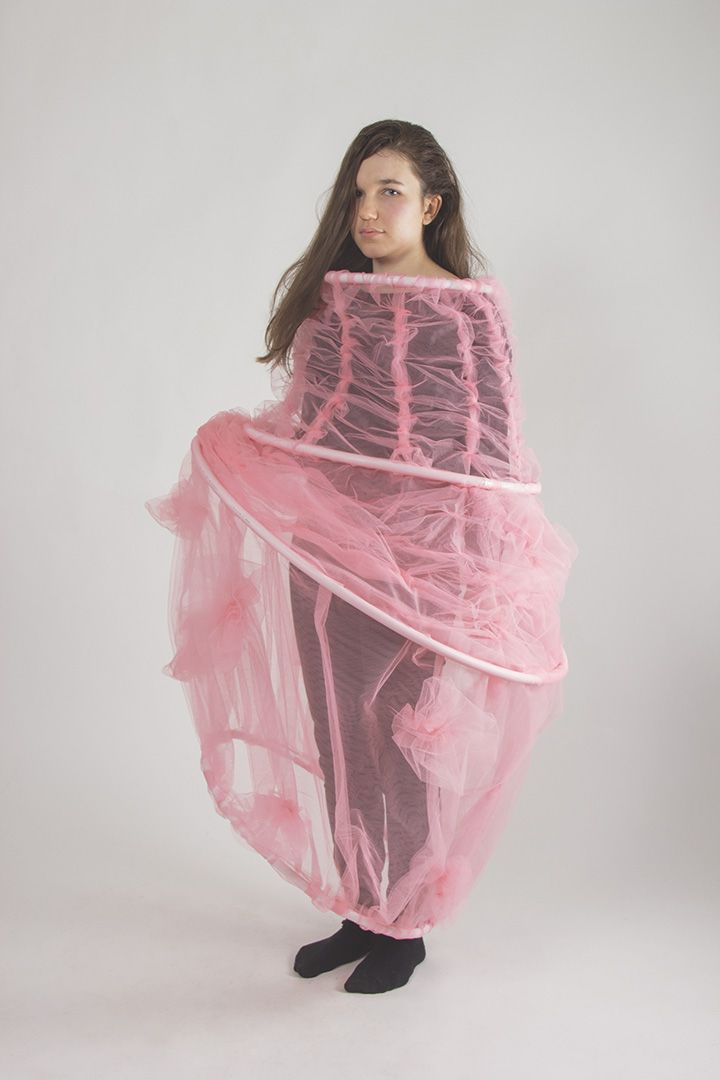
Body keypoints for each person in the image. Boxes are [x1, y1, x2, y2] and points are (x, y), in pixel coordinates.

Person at [146, 119, 577, 995]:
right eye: (359, 193)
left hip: (418, 569)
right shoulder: (335, 304)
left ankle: (405, 926)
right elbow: (312, 430)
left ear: (431, 206)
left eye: (391, 192)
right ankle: (361, 905)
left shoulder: (468, 312)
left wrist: (465, 573)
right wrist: (242, 456)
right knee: (340, 731)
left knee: (402, 738)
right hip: (326, 556)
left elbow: (488, 453)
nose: (370, 211)